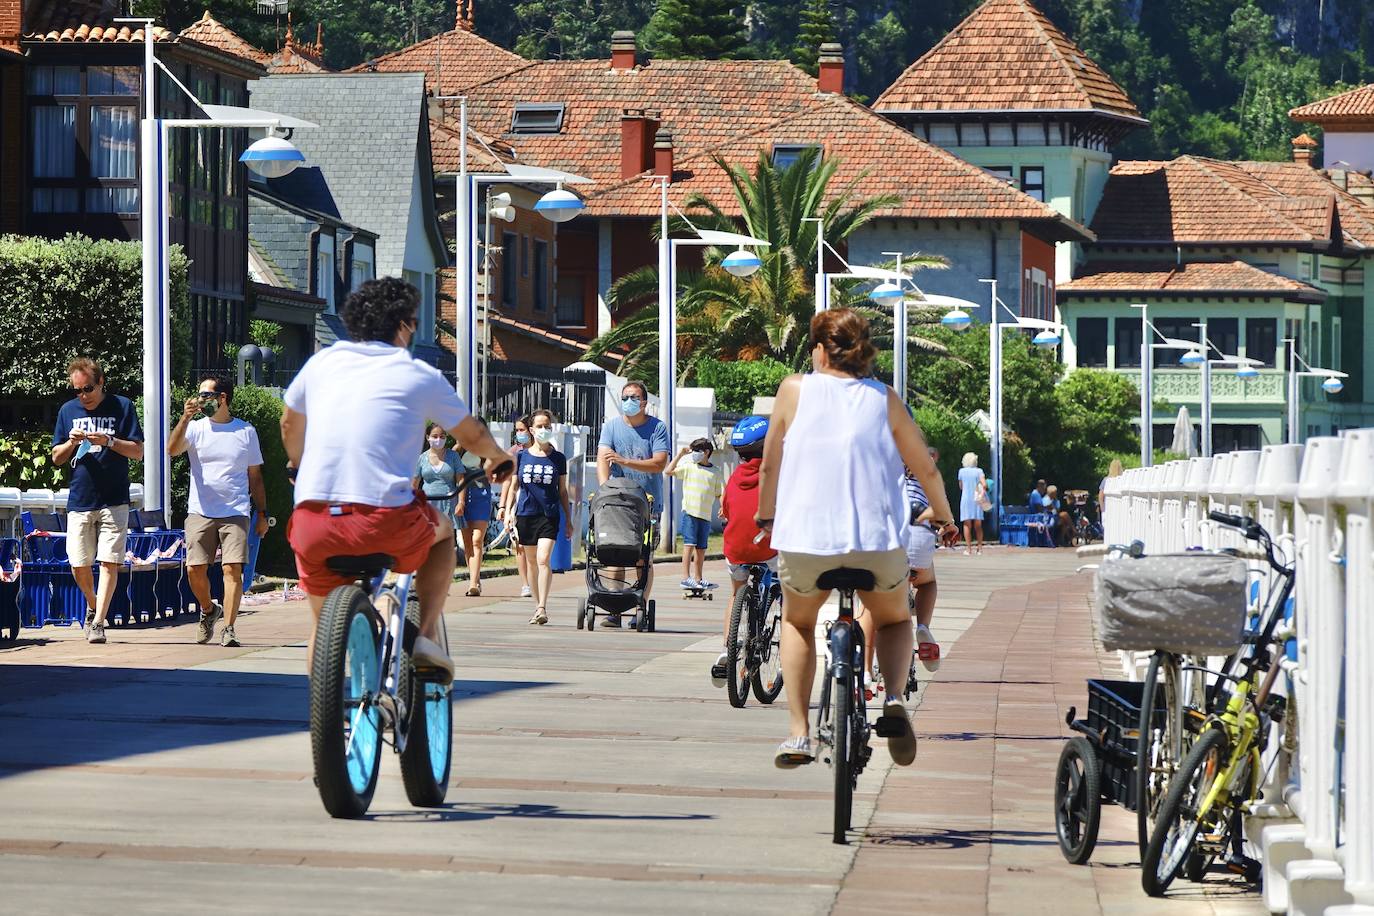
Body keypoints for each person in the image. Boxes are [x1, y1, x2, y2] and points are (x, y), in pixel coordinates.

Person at [755, 308, 957, 769]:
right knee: (893, 619)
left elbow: (770, 464)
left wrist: (767, 517)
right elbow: (924, 468)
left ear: (820, 350)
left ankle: (799, 734)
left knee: (798, 622)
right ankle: (891, 701)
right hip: (876, 540)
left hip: (806, 539)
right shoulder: (885, 398)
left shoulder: (793, 389)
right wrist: (944, 517)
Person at [281, 278, 511, 682]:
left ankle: (329, 720)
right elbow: (471, 434)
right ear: (404, 326)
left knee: (321, 629)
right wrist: (498, 457)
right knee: (443, 536)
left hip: (315, 521)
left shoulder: (321, 363)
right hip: (385, 519)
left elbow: (288, 424)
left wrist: (300, 467)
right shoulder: (416, 373)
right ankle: (424, 638)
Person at [167, 376, 269, 648]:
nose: (200, 400)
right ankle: (209, 610)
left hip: (235, 511)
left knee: (232, 569)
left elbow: (255, 476)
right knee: (194, 570)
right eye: (199, 395)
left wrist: (262, 513)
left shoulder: (245, 432)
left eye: (206, 395)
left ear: (222, 398)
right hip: (200, 511)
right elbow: (172, 449)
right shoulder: (196, 428)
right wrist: (184, 419)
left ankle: (230, 628)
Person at [49, 357, 145, 645]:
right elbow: (56, 458)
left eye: (88, 388)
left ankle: (99, 622)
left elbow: (138, 452)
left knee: (108, 563)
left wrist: (108, 441)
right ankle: (93, 605)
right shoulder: (68, 411)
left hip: (114, 499)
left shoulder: (122, 406)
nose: (83, 395)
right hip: (80, 498)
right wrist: (73, 442)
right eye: (77, 390)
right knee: (78, 564)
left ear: (101, 382)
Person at [858, 446, 946, 697]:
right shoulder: (927, 475)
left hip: (885, 544)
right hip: (919, 543)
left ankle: (865, 671)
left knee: (869, 606)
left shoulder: (878, 471)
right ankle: (924, 626)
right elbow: (940, 513)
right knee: (927, 583)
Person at [596, 380, 669, 627]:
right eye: (625, 397)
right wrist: (605, 489)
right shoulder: (611, 427)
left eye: (634, 397)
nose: (629, 401)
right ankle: (614, 608)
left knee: (642, 558)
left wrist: (625, 462)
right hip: (617, 503)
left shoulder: (657, 428)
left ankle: (640, 607)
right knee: (614, 553)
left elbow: (659, 462)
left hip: (647, 504)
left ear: (644, 402)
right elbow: (603, 459)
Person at [714, 415, 776, 686]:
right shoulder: (776, 473)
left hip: (736, 549)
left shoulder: (735, 476)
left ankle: (727, 646)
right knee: (791, 595)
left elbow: (726, 510)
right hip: (768, 549)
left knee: (736, 593)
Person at [506, 409, 572, 625]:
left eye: (548, 426)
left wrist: (568, 519)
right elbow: (514, 486)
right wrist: (508, 511)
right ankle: (537, 605)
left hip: (549, 515)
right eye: (540, 426)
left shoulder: (558, 458)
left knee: (544, 559)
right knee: (532, 562)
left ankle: (543, 606)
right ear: (532, 430)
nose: (544, 430)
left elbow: (562, 491)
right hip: (525, 514)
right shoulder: (521, 456)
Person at [666, 437, 723, 592]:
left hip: (705, 516)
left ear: (706, 452)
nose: (694, 454)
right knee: (689, 545)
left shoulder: (715, 472)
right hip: (690, 512)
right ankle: (685, 578)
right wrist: (679, 455)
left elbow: (720, 493)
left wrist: (723, 506)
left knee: (701, 549)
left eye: (696, 451)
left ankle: (698, 578)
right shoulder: (689, 466)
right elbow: (668, 471)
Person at [454, 418, 494, 597]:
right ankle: (475, 578)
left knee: (477, 539)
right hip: (462, 497)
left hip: (481, 497)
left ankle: (473, 584)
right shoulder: (458, 450)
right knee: (467, 542)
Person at [499, 416, 534, 598]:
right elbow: (508, 482)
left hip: (538, 503)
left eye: (522, 430)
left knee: (534, 547)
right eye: (517, 430)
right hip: (519, 502)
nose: (519, 434)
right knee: (519, 543)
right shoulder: (514, 453)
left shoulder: (544, 451)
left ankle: (536, 580)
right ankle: (525, 584)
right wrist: (503, 506)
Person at [414, 422, 462, 529]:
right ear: (427, 437)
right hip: (428, 504)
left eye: (442, 437)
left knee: (446, 540)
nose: (438, 440)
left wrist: (461, 502)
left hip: (449, 504)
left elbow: (461, 480)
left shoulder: (453, 456)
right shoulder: (421, 458)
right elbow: (414, 485)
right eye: (435, 436)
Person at [957, 452, 987, 556]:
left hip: (966, 499)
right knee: (978, 525)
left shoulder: (961, 471)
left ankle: (968, 549)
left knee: (966, 524)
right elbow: (984, 484)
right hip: (977, 498)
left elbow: (961, 486)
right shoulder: (979, 471)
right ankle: (979, 549)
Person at [1098, 458, 1123, 525]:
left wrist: (1103, 510)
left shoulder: (1106, 480)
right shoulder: (1122, 480)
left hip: (1107, 508)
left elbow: (1101, 497)